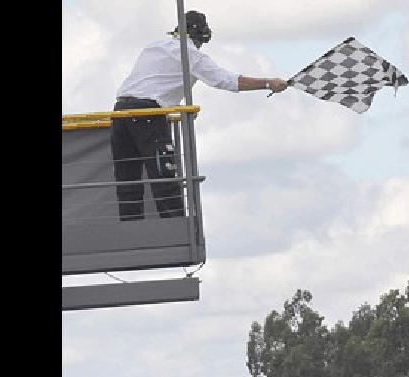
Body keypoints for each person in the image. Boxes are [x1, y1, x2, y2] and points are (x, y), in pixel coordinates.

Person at [111, 10, 290, 221]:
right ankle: (175, 232)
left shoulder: (153, 47)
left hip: (120, 113)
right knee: (165, 179)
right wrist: (268, 83)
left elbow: (153, 80)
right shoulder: (190, 55)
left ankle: (130, 231)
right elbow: (225, 80)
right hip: (148, 114)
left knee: (127, 180)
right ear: (200, 36)